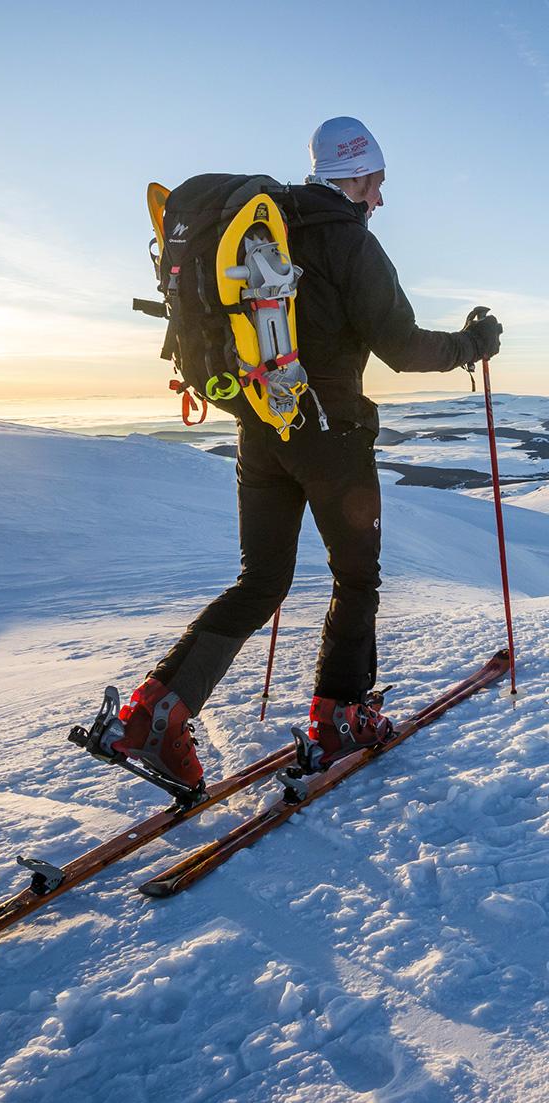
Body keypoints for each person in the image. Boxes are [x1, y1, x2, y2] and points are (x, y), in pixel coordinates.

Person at [111, 116, 503, 791]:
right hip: (332, 436)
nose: (379, 198)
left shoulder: (268, 227)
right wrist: (475, 343)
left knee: (260, 581)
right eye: (376, 183)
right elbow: (404, 348)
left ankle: (152, 715)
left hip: (261, 426)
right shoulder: (350, 243)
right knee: (356, 579)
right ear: (354, 177)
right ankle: (339, 719)